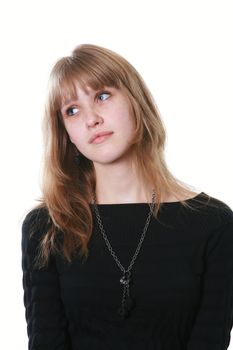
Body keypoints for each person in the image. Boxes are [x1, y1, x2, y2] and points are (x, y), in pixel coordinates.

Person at [21, 43, 233, 350]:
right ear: (66, 132)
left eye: (102, 95)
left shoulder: (214, 224)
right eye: (72, 110)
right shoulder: (48, 226)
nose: (91, 119)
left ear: (136, 100)